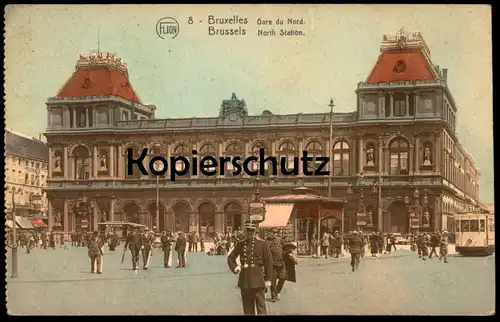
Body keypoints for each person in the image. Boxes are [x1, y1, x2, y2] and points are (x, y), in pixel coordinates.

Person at [228, 221, 273, 316]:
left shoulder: (263, 244)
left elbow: (268, 263)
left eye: (252, 231)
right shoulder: (240, 244)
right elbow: (230, 258)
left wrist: (268, 279)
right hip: (245, 279)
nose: (250, 233)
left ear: (255, 232)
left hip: (258, 279)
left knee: (261, 306)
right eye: (248, 230)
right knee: (248, 308)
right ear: (244, 231)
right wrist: (235, 267)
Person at [266, 228, 286, 302]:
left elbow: (285, 248)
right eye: (273, 233)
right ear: (269, 233)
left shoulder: (279, 240)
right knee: (273, 281)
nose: (275, 234)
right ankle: (274, 296)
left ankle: (277, 291)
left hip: (281, 263)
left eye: (276, 233)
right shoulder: (267, 242)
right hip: (272, 265)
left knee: (283, 278)